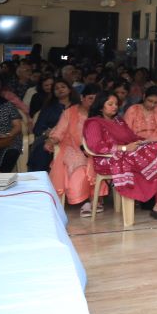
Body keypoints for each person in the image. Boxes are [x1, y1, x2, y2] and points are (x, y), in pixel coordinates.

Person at [83, 91, 157, 221]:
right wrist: (124, 148)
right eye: (110, 104)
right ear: (100, 106)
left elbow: (131, 137)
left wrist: (144, 142)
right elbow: (95, 146)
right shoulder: (94, 123)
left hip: (127, 154)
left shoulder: (118, 121)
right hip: (108, 159)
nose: (115, 107)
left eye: (116, 104)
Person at [47, 84, 103, 216]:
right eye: (90, 98)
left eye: (96, 100)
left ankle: (95, 198)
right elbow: (59, 131)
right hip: (72, 147)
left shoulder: (99, 114)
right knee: (79, 163)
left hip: (94, 149)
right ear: (82, 97)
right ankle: (85, 201)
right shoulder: (70, 112)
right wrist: (52, 141)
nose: (93, 102)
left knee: (96, 161)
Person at [26, 78, 77, 172]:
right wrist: (46, 132)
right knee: (43, 149)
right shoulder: (48, 108)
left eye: (63, 87)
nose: (60, 89)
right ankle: (40, 177)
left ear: (69, 89)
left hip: (74, 139)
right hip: (50, 137)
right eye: (56, 88)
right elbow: (37, 129)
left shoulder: (78, 107)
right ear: (53, 93)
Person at [0, 78, 23, 173]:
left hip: (9, 138)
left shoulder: (8, 106)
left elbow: (18, 126)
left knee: (12, 152)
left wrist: (8, 134)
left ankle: (0, 174)